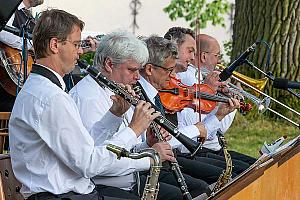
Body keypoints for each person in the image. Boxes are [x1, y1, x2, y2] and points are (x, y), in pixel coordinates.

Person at [9, 9, 160, 200]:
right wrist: (133, 130)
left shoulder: (43, 89)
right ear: (55, 45)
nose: (80, 51)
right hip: (61, 196)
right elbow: (89, 165)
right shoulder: (50, 97)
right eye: (76, 44)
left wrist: (114, 115)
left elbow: (86, 147)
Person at [69, 32, 210, 199]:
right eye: (132, 70)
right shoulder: (89, 99)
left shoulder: (117, 90)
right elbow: (97, 164)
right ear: (109, 64)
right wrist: (147, 152)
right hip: (106, 184)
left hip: (129, 177)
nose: (137, 77)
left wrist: (147, 145)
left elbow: (122, 149)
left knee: (195, 190)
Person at [163, 27, 251, 175]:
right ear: (173, 50)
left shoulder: (180, 82)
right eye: (190, 51)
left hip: (194, 148)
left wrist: (221, 110)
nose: (192, 57)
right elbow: (199, 133)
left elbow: (204, 130)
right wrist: (209, 91)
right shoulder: (185, 80)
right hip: (186, 152)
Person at [179, 33, 256, 165]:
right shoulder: (190, 79)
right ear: (204, 56)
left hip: (210, 147)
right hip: (201, 149)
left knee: (256, 164)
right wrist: (230, 101)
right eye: (217, 56)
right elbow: (217, 128)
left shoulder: (198, 78)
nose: (219, 61)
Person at [0, 0, 44, 112]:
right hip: (6, 78)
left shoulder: (28, 15)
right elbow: (2, 33)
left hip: (20, 81)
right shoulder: (8, 7)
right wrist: (30, 45)